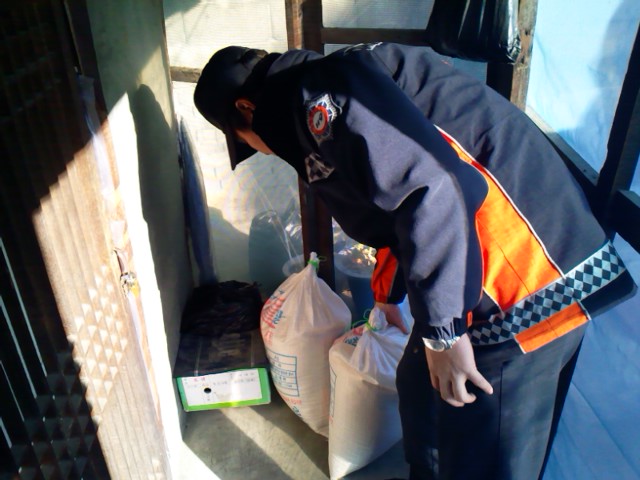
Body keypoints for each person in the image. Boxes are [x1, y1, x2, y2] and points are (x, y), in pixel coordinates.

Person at [193, 42, 636, 480]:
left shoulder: (323, 94)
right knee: (420, 390)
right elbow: (394, 210)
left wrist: (444, 334)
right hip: (476, 267)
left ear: (247, 108)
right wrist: (387, 295)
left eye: (245, 140)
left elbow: (434, 190)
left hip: (522, 280)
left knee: (483, 450)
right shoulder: (321, 93)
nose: (262, 150)